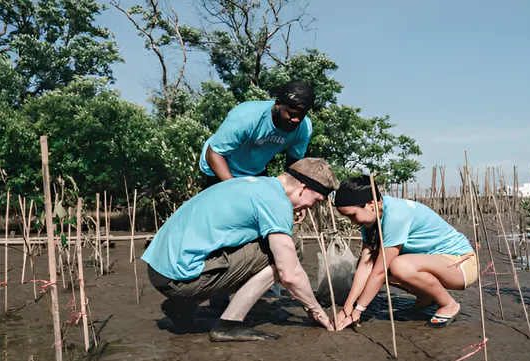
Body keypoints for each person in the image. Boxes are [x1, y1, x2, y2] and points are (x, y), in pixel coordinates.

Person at [141, 158, 339, 341]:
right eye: (316, 201)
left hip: (159, 270)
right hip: (177, 279)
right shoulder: (276, 201)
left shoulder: (257, 184)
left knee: (272, 245)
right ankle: (228, 324)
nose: (312, 207)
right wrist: (316, 310)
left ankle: (182, 306)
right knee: (289, 249)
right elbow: (290, 273)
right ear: (303, 187)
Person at [198, 80, 315, 308]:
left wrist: (294, 202)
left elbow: (294, 167)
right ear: (278, 104)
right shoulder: (246, 116)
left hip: (255, 172)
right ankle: (215, 292)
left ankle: (264, 290)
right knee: (222, 231)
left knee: (264, 230)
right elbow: (215, 153)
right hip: (220, 167)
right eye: (291, 113)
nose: (296, 120)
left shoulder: (302, 128)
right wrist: (235, 191)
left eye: (302, 114)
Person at [331, 176, 479, 330]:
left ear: (371, 204)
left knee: (398, 265)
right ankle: (426, 300)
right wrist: (348, 307)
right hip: (434, 262)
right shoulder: (369, 221)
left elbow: (379, 272)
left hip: (461, 266)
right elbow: (365, 266)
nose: (352, 222)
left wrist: (359, 309)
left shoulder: (396, 215)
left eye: (352, 216)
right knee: (378, 265)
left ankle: (449, 305)